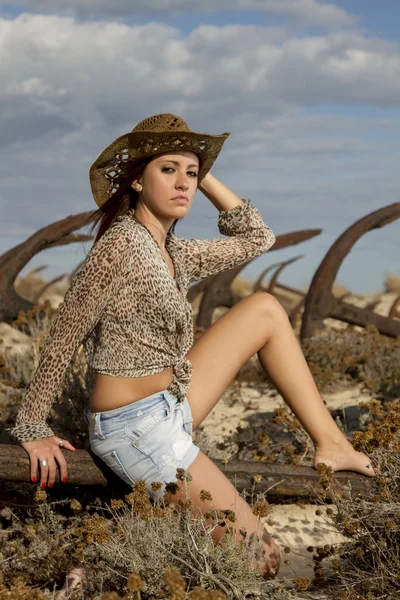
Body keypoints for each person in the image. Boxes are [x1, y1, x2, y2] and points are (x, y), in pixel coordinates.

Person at [10, 113, 374, 581]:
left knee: (264, 308)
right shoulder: (120, 245)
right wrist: (32, 425)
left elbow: (258, 238)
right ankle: (102, 569)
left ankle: (331, 444)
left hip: (173, 403)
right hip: (135, 429)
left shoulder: (175, 251)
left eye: (192, 174)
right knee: (262, 559)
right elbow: (63, 336)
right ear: (137, 180)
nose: (183, 182)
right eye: (168, 170)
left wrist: (199, 170)